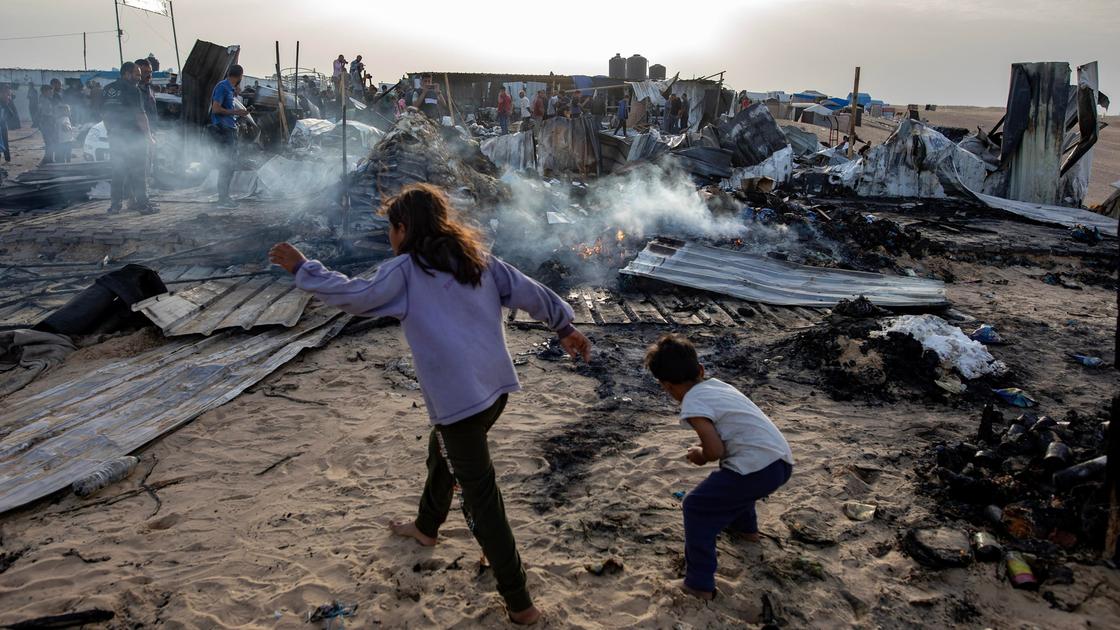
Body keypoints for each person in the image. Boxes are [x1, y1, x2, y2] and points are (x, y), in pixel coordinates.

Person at [268, 183, 592, 626]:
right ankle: (425, 528)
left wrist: (304, 268)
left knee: (482, 498)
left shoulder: (403, 272)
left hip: (460, 401)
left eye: (390, 229)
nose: (389, 236)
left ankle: (520, 604)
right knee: (442, 448)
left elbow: (354, 296)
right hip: (495, 391)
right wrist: (564, 326)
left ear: (403, 229)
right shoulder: (477, 260)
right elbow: (530, 290)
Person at [644, 334, 793, 600]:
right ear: (700, 370)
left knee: (696, 506)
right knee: (733, 481)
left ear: (665, 386)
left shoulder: (692, 403)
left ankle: (698, 583)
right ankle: (746, 531)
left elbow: (715, 451)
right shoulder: (720, 386)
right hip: (780, 460)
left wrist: (701, 455)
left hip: (757, 468)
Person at [102, 62, 155, 214]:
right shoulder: (133, 90)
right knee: (139, 172)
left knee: (117, 172)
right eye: (137, 74)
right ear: (126, 73)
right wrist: (149, 137)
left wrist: (110, 132)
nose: (139, 78)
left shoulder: (107, 90)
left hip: (116, 138)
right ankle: (143, 205)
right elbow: (140, 115)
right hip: (133, 138)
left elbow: (104, 115)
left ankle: (115, 206)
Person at [210, 64, 248, 210]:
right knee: (226, 165)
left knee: (230, 165)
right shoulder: (222, 87)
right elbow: (216, 108)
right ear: (240, 76)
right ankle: (223, 198)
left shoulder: (230, 88)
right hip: (223, 129)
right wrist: (236, 113)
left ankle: (225, 196)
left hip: (229, 128)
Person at [37, 86, 57, 165]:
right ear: (45, 92)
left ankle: (49, 159)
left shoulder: (45, 100)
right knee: (49, 142)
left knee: (50, 142)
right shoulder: (44, 101)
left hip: (47, 124)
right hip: (47, 124)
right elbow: (46, 114)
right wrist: (55, 115)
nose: (51, 93)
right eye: (50, 91)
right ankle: (47, 160)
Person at [0, 84, 19, 163]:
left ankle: (7, 157)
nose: (8, 96)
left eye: (8, 94)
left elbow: (11, 115)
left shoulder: (4, 103)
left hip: (2, 125)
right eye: (6, 94)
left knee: (5, 141)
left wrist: (7, 104)